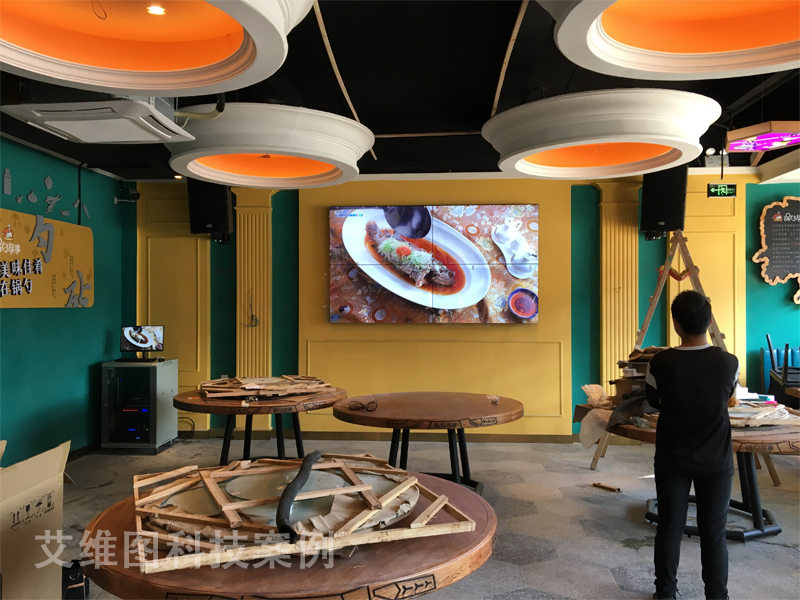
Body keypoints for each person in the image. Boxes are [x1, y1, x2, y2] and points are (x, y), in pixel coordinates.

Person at [645, 290, 739, 600]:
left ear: (675, 323)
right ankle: (717, 595)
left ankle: (665, 592)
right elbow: (728, 397)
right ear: (709, 321)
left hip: (672, 456)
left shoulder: (660, 362)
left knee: (670, 525)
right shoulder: (729, 362)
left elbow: (653, 402)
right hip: (717, 460)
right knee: (714, 532)